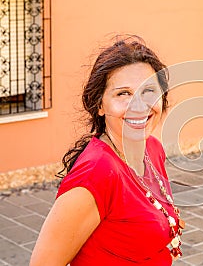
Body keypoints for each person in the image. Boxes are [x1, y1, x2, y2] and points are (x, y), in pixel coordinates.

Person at [30, 36, 184, 266]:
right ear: (100, 105)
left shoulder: (152, 148)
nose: (139, 106)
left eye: (149, 90)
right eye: (123, 94)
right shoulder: (95, 174)